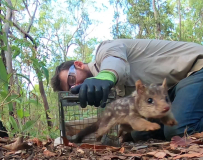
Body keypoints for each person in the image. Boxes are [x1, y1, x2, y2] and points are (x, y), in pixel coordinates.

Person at [51, 39, 203, 142]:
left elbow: (115, 61)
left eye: (72, 79)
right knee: (139, 132)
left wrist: (105, 77)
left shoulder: (105, 51)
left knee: (179, 128)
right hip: (173, 91)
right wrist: (68, 133)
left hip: (196, 67)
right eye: (72, 87)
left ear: (78, 64)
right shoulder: (110, 94)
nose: (77, 84)